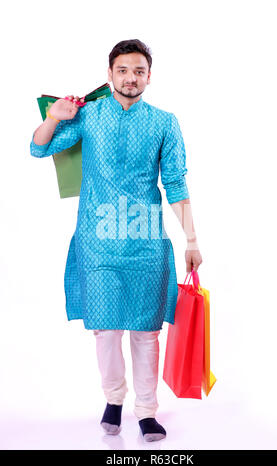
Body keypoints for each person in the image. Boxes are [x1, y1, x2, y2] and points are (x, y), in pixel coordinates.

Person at [30, 39, 202, 442]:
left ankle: (146, 410)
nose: (130, 77)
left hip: (145, 242)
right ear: (110, 74)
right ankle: (113, 399)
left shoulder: (164, 122)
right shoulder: (89, 116)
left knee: (146, 332)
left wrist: (191, 239)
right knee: (106, 331)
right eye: (122, 70)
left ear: (148, 76)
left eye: (138, 71)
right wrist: (55, 117)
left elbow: (176, 183)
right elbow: (38, 148)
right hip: (97, 239)